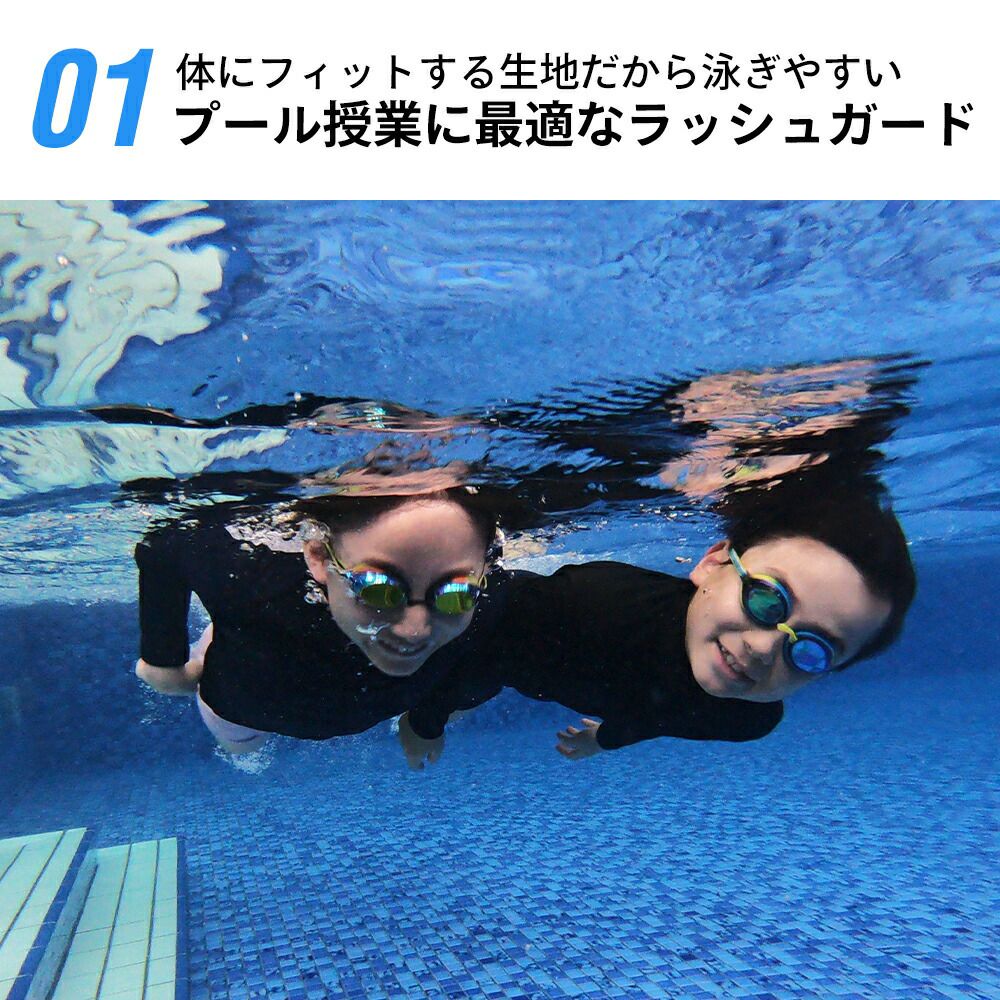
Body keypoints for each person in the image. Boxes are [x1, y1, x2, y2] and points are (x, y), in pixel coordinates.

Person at [396, 487, 916, 762]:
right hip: (498, 627)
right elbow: (483, 646)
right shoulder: (594, 604)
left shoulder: (748, 718)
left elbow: (663, 716)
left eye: (813, 650)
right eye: (766, 599)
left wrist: (605, 740)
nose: (763, 650)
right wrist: (425, 720)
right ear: (713, 563)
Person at [134, 483, 504, 766]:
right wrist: (164, 662)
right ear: (316, 556)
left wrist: (429, 721)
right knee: (242, 749)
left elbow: (488, 669)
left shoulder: (492, 605)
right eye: (378, 590)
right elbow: (163, 544)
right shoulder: (252, 576)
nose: (415, 630)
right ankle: (213, 637)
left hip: (256, 693)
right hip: (242, 705)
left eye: (456, 594)